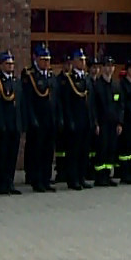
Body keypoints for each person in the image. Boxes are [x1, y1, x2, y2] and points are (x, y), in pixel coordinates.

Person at [55, 49, 95, 191]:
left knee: (84, 151)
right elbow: (66, 103)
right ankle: (73, 179)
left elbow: (91, 103)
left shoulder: (87, 79)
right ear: (73, 62)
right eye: (80, 60)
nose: (83, 62)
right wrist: (69, 120)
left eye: (84, 60)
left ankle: (81, 177)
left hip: (86, 121)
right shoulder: (68, 80)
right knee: (74, 152)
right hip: (75, 121)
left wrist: (93, 120)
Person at [20, 46, 58, 192]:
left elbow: (55, 99)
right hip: (37, 120)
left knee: (48, 151)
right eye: (43, 60)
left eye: (48, 60)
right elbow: (27, 100)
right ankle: (36, 180)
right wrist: (31, 119)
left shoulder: (50, 76)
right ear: (36, 59)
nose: (46, 63)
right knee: (37, 151)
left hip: (49, 120)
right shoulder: (30, 75)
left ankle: (46, 179)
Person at [0, 50, 23, 196]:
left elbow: (20, 104)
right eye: (7, 64)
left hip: (14, 124)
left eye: (12, 64)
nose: (10, 67)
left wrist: (20, 122)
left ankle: (9, 182)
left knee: (11, 155)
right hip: (0, 125)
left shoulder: (15, 81)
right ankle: (0, 183)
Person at [90, 55, 122, 187]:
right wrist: (95, 123)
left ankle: (108, 174)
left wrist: (120, 122)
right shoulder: (97, 85)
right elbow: (93, 106)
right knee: (101, 149)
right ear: (103, 68)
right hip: (102, 123)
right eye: (107, 66)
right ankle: (99, 177)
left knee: (111, 149)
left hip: (113, 124)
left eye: (111, 67)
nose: (109, 69)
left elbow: (120, 105)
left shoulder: (116, 86)